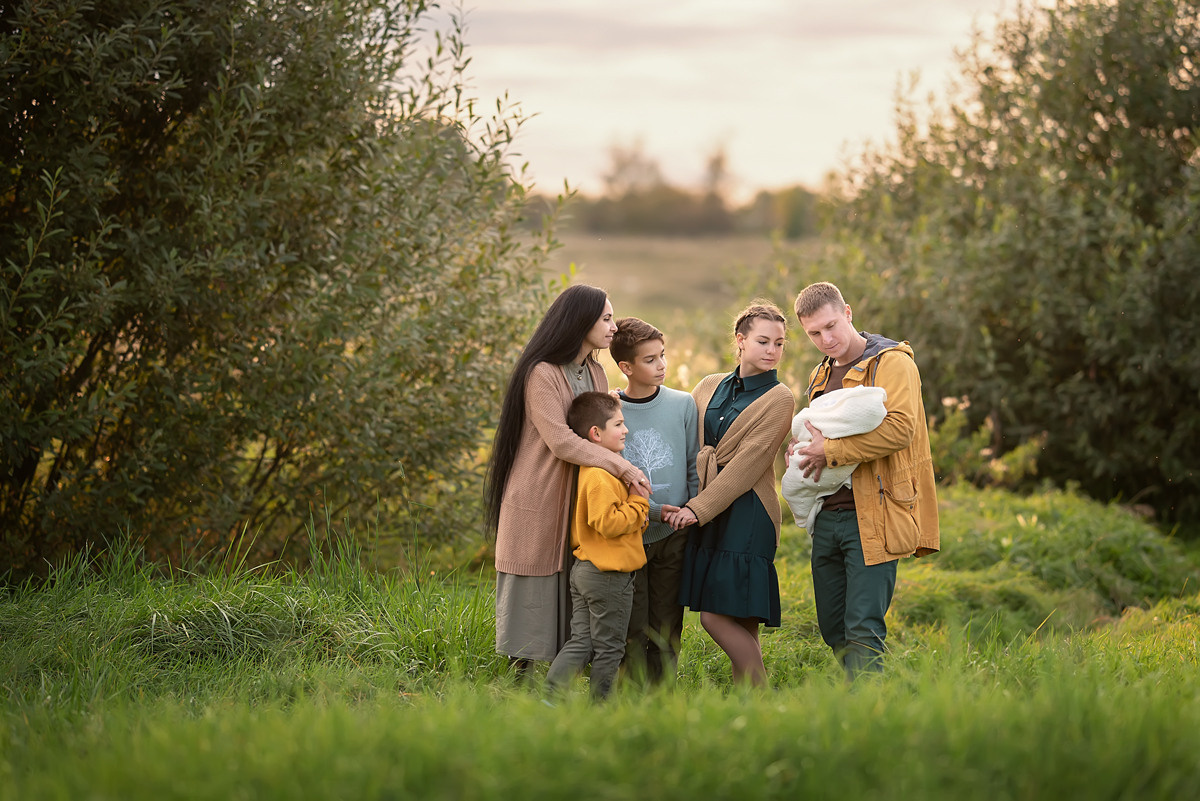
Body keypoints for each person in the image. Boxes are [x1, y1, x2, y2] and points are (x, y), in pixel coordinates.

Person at [484, 285, 650, 673]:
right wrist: (622, 467)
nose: (613, 327)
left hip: (579, 499)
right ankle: (518, 681)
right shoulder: (541, 373)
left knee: (574, 586)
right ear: (580, 322)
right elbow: (560, 440)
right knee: (535, 589)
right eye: (606, 319)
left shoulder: (594, 369)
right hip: (539, 497)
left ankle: (562, 680)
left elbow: (595, 430)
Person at [791, 281, 940, 679]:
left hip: (875, 511)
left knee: (862, 629)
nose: (826, 339)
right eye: (814, 333)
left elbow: (900, 430)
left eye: (831, 326)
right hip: (828, 516)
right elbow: (821, 435)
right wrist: (805, 451)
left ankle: (867, 716)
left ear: (849, 313)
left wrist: (831, 451)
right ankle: (872, 699)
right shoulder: (820, 374)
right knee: (833, 627)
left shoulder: (892, 362)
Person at [666, 302, 795, 687]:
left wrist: (696, 509)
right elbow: (686, 440)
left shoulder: (780, 398)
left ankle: (761, 689)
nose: (772, 350)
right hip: (712, 511)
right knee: (740, 620)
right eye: (762, 341)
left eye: (779, 343)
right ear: (740, 341)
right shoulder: (708, 385)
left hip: (748, 514)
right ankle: (750, 710)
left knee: (715, 615)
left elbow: (747, 466)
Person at [610, 317, 699, 684]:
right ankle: (630, 696)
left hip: (673, 535)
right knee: (631, 621)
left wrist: (694, 511)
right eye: (650, 360)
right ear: (626, 367)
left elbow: (694, 464)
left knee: (665, 622)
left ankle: (661, 697)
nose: (661, 365)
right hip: (627, 533)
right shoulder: (610, 408)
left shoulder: (683, 405)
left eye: (662, 356)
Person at [546, 392, 650, 699]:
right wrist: (640, 504)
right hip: (607, 576)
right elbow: (608, 523)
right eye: (618, 424)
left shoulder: (596, 471)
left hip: (587, 570)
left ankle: (550, 697)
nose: (625, 429)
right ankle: (600, 707)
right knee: (610, 648)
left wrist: (639, 510)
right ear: (596, 433)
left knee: (582, 641)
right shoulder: (601, 475)